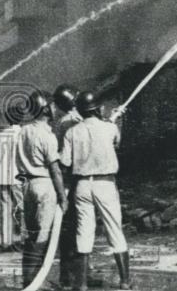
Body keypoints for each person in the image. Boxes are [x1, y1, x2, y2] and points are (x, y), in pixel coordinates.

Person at [61, 92, 131, 291]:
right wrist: (115, 119)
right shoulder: (110, 127)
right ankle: (125, 281)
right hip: (105, 183)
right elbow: (116, 142)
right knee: (114, 229)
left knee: (84, 232)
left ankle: (81, 284)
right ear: (98, 109)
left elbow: (65, 162)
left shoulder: (71, 132)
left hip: (82, 184)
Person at [15, 90, 67, 288]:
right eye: (52, 105)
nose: (55, 108)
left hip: (27, 185)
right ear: (45, 109)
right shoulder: (48, 135)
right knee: (43, 236)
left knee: (31, 234)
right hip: (44, 185)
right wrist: (62, 197)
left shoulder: (24, 130)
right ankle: (38, 281)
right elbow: (55, 169)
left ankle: (27, 279)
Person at [53, 84, 85, 289]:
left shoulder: (63, 122)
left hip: (69, 180)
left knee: (70, 229)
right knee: (75, 228)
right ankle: (73, 276)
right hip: (75, 180)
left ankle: (69, 276)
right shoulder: (72, 122)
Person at [0, 101, 25, 251]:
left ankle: (6, 242)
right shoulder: (23, 134)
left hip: (3, 175)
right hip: (18, 175)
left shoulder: (1, 135)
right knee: (23, 208)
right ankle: (24, 240)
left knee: (5, 209)